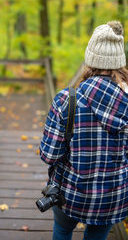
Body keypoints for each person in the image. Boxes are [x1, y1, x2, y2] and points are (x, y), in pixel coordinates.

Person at [39, 21, 128, 240]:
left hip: (71, 193)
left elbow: (49, 155)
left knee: (62, 231)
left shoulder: (67, 100)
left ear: (90, 61)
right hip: (113, 196)